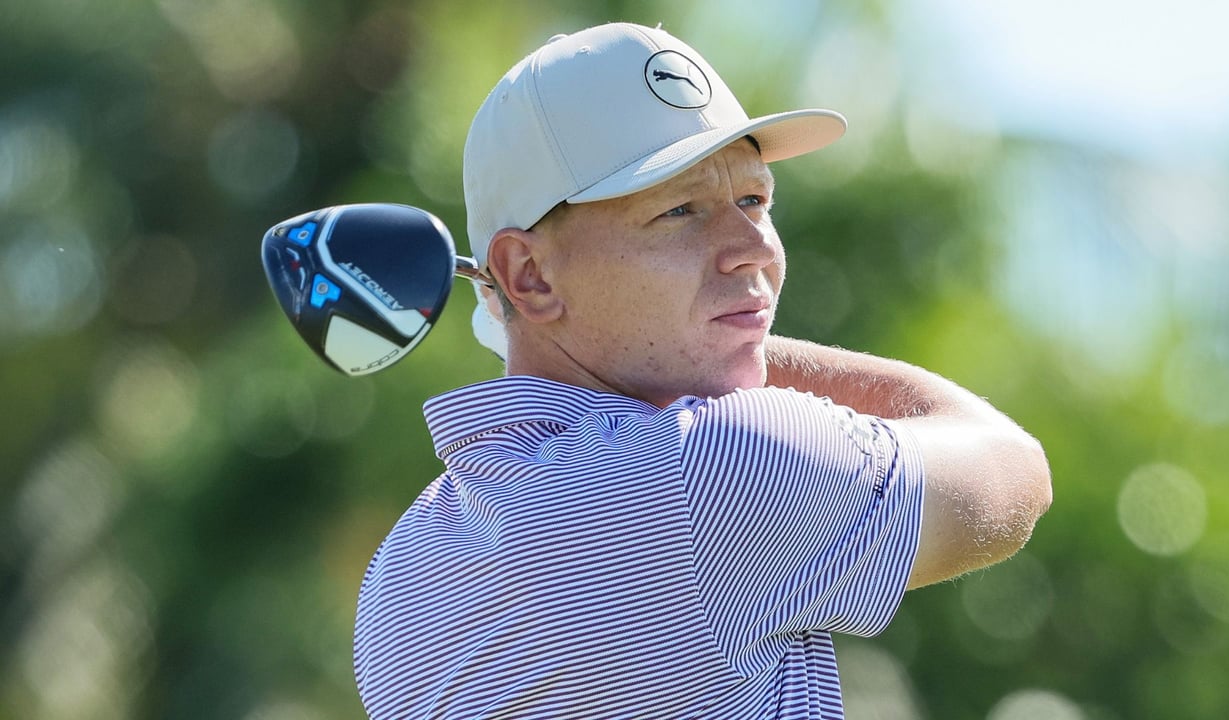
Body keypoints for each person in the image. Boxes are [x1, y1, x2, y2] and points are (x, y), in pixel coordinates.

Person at [353, 22, 1051, 719]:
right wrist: (744, 344)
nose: (753, 250)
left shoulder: (401, 572)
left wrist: (701, 339)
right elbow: (1012, 470)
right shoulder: (717, 465)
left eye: (754, 200)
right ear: (528, 275)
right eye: (679, 210)